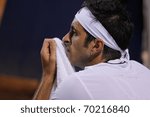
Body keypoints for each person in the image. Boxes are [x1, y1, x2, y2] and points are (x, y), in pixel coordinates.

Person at [33, 0, 150, 100]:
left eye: (74, 33)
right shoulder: (145, 72)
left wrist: (48, 76)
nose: (65, 39)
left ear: (96, 46)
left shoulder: (77, 85)